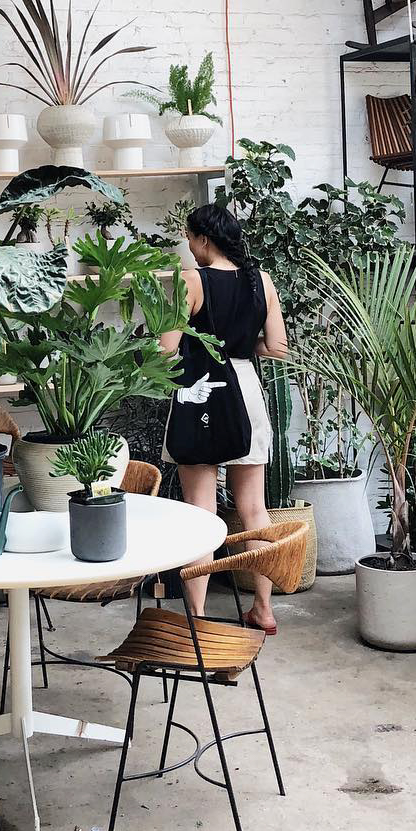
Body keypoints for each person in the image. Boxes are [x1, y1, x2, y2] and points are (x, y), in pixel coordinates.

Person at [160, 203, 287, 633]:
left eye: (189, 238)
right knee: (254, 508)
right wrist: (240, 349)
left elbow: (166, 349)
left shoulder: (191, 281)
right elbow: (277, 348)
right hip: (246, 393)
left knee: (201, 510)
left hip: (201, 392)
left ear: (204, 239)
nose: (189, 246)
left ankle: (197, 618)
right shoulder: (261, 281)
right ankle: (263, 610)